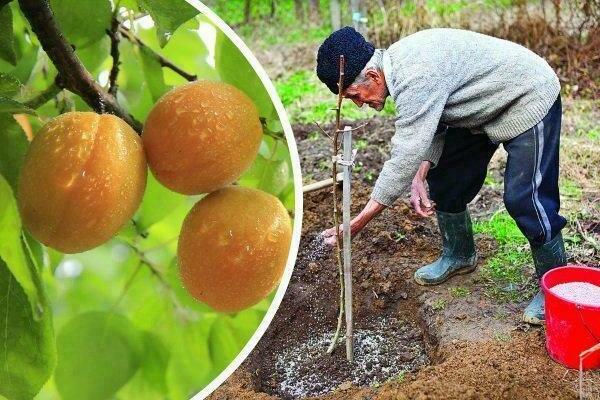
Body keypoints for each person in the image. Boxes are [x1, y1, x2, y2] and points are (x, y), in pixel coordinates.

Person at [317, 27, 567, 325]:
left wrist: (356, 223)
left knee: (526, 199)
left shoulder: (415, 73)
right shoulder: (398, 71)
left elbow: (405, 154)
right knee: (446, 181)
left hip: (526, 96)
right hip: (479, 106)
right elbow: (432, 121)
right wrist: (422, 172)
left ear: (372, 77)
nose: (360, 104)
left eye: (355, 96)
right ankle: (460, 255)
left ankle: (556, 290)